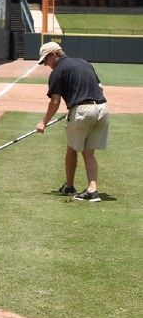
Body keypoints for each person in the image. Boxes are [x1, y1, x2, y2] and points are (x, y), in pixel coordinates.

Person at [36, 41, 109, 202]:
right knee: (88, 152)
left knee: (72, 148)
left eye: (46, 60)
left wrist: (43, 122)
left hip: (82, 111)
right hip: (102, 109)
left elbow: (55, 102)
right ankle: (92, 190)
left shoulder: (57, 71)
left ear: (54, 55)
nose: (46, 65)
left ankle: (69, 186)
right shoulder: (84, 62)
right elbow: (100, 88)